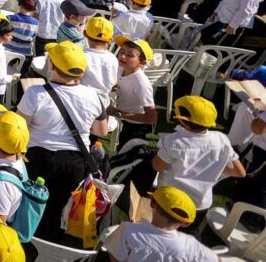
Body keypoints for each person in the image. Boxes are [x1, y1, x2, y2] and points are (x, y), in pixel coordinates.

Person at [17, 41, 108, 240]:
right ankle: (54, 246)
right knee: (62, 208)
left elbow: (20, 129)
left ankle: (32, 240)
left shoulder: (35, 93)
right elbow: (101, 130)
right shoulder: (94, 95)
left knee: (35, 204)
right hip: (76, 162)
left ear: (51, 66)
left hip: (39, 160)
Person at [153, 95, 245, 223]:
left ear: (182, 120)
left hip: (171, 200)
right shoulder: (222, 139)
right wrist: (212, 168)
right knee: (191, 234)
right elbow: (240, 172)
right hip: (201, 204)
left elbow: (157, 167)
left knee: (162, 233)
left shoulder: (172, 141)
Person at [105, 186, 219, 261]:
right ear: (186, 223)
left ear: (152, 203)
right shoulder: (191, 245)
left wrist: (137, 228)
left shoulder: (128, 230)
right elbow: (217, 260)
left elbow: (114, 258)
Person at [108, 36, 157, 147]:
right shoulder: (121, 68)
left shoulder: (141, 84)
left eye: (129, 55)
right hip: (127, 118)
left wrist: (117, 112)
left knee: (127, 154)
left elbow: (151, 118)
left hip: (139, 125)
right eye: (122, 51)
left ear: (142, 62)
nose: (123, 56)